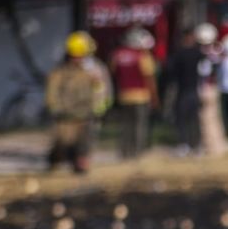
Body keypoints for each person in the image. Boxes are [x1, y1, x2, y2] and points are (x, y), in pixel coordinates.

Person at [45, 31, 108, 174]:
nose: (78, 59)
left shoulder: (95, 70)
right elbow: (52, 91)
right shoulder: (60, 71)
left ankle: (81, 164)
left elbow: (101, 92)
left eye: (81, 55)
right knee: (61, 142)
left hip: (85, 114)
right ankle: (55, 160)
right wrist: (54, 107)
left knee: (84, 143)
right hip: (65, 115)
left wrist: (99, 108)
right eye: (75, 55)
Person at [109, 28, 158, 159]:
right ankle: (138, 152)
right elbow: (149, 78)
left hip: (124, 96)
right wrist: (155, 97)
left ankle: (125, 152)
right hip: (141, 96)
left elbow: (113, 74)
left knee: (125, 126)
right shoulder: (142, 56)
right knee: (139, 126)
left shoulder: (117, 55)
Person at [163, 27, 204, 156]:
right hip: (184, 90)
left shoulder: (182, 53)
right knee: (184, 119)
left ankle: (194, 145)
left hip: (192, 90)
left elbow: (169, 71)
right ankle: (186, 144)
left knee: (192, 119)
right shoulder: (195, 53)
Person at [195, 23, 226, 157]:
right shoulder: (217, 51)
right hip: (214, 87)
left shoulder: (201, 53)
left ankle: (211, 147)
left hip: (205, 87)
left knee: (206, 118)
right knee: (215, 116)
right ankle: (219, 145)